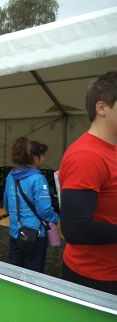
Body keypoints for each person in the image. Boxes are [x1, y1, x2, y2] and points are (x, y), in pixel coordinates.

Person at [58, 71, 117, 295]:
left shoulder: (111, 148)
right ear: (101, 108)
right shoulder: (86, 156)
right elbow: (75, 229)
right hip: (95, 278)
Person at [3, 137, 59, 273]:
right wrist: (55, 218)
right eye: (43, 156)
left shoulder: (11, 176)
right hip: (35, 235)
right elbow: (44, 211)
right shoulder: (38, 179)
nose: (44, 158)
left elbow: (6, 205)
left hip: (15, 232)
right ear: (35, 158)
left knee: (14, 270)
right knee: (34, 272)